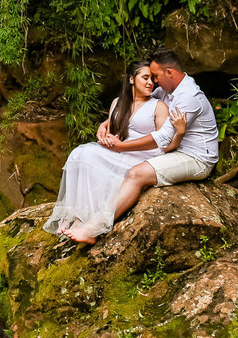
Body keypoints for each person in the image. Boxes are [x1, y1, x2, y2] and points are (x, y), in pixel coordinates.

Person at [90, 48, 219, 242]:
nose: (154, 81)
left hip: (196, 158)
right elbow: (138, 105)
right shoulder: (166, 90)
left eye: (156, 76)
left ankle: (96, 227)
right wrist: (106, 124)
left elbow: (163, 137)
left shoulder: (188, 97)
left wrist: (121, 146)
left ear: (169, 73)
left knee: (136, 173)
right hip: (174, 150)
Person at [42, 60, 179, 243]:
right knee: (79, 154)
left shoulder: (158, 106)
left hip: (143, 154)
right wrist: (105, 135)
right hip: (120, 150)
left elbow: (164, 142)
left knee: (89, 155)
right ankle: (74, 215)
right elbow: (115, 132)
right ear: (131, 79)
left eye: (152, 79)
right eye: (145, 78)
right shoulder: (117, 102)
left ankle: (84, 220)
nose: (150, 83)